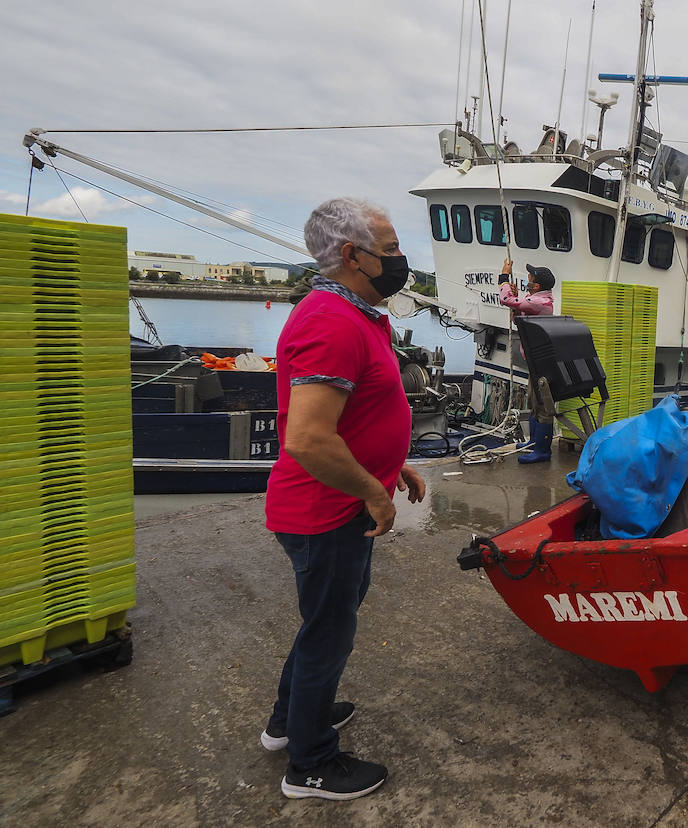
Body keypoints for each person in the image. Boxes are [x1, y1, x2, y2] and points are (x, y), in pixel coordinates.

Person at [262, 197, 426, 800]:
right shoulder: (330, 321)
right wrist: (372, 494)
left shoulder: (357, 312)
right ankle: (309, 764)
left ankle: (290, 720)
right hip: (326, 512)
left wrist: (388, 463)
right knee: (330, 631)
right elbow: (306, 438)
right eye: (391, 248)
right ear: (354, 256)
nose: (401, 259)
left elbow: (352, 414)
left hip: (338, 502)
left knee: (324, 624)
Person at [498, 259, 556, 463]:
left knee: (542, 404)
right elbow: (518, 317)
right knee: (533, 401)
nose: (527, 280)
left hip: (540, 363)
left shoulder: (540, 302)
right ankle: (533, 443)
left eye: (530, 278)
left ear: (537, 286)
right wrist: (516, 298)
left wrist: (504, 277)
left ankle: (542, 451)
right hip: (535, 361)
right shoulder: (537, 301)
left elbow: (506, 300)